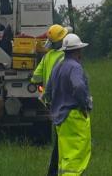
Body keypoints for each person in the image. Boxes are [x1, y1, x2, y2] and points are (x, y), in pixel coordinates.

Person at [44, 33, 93, 175]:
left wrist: (52, 106)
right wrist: (86, 104)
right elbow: (78, 86)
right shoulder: (75, 67)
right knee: (76, 157)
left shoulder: (57, 67)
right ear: (78, 51)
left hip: (59, 118)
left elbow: (47, 91)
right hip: (74, 116)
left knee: (64, 155)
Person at [32, 24, 70, 176]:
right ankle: (55, 171)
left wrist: (39, 84)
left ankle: (53, 171)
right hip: (63, 101)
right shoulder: (64, 57)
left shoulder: (48, 56)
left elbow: (35, 76)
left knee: (58, 137)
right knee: (62, 139)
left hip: (50, 102)